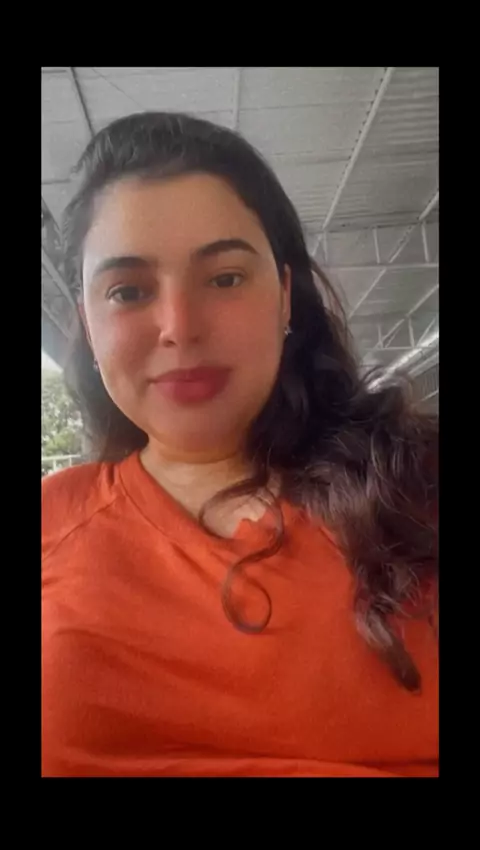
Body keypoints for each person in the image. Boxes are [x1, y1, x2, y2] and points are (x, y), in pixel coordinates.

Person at [42, 112, 438, 778]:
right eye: (128, 291)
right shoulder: (52, 524)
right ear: (88, 323)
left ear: (284, 296)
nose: (179, 326)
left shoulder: (417, 487)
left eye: (224, 278)